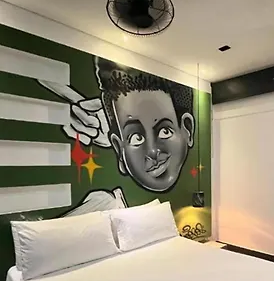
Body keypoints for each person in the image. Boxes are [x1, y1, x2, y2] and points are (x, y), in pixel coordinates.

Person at [40, 57, 195, 193]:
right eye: (136, 138)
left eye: (165, 131)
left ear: (187, 129)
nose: (153, 151)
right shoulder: (103, 201)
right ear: (119, 149)